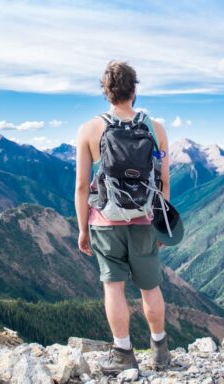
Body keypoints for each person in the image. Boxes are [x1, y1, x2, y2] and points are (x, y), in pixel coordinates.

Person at [74, 60, 171, 374]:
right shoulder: (155, 129)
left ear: (106, 92)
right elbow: (163, 183)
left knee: (113, 288)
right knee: (150, 287)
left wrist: (82, 230)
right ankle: (160, 353)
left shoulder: (89, 129)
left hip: (104, 222)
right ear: (134, 89)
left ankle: (123, 355)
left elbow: (80, 186)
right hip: (144, 220)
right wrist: (163, 225)